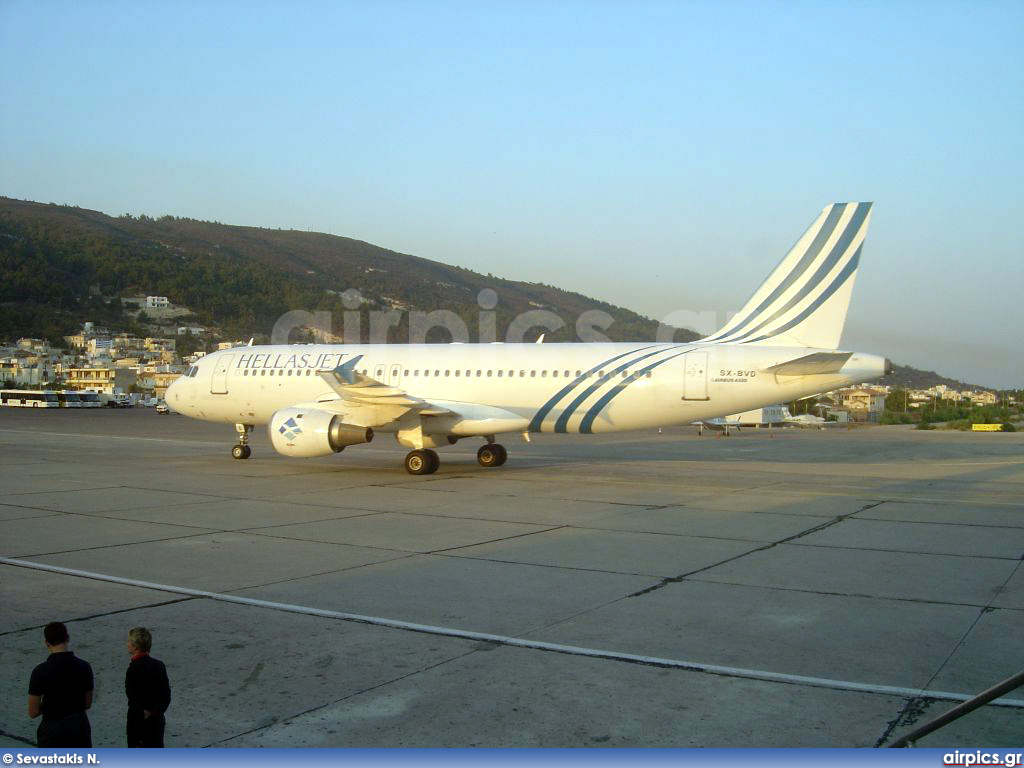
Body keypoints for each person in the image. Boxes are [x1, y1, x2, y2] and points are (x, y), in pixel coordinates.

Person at [27, 621, 94, 747]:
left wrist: (50, 704)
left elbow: (33, 711)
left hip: (52, 731)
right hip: (78, 728)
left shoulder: (40, 671)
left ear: (47, 643)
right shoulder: (84, 667)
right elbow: (87, 703)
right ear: (67, 638)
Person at [125, 626, 171, 748]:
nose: (127, 644)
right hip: (156, 723)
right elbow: (166, 696)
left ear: (135, 646)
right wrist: (155, 710)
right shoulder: (159, 666)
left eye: (129, 641)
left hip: (139, 725)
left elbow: (133, 699)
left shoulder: (133, 670)